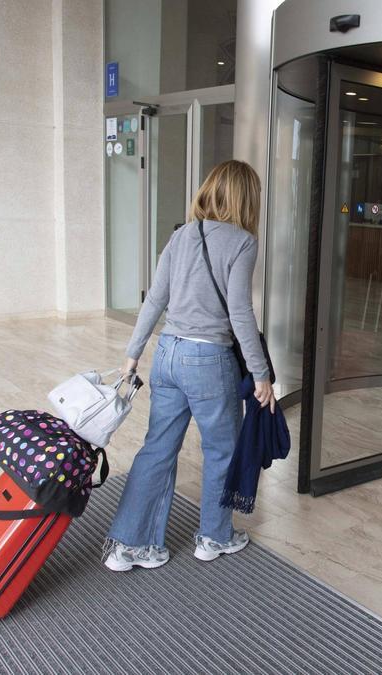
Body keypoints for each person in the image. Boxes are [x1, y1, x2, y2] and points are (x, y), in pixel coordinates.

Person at [103, 160, 275, 571]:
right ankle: (213, 538)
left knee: (157, 448)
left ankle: (132, 546)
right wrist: (262, 374)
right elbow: (240, 313)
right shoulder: (242, 242)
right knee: (221, 450)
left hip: (168, 354)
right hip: (208, 359)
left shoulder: (180, 236)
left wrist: (133, 352)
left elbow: (155, 299)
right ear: (247, 198)